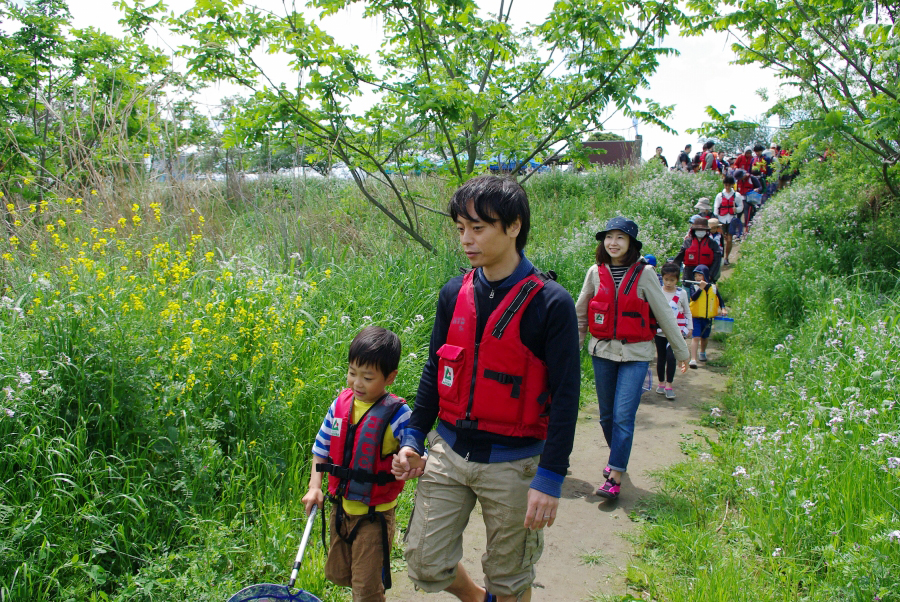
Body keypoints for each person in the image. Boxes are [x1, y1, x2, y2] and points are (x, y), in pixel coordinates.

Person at [393, 175, 580, 602]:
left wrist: (550, 477)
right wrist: (412, 438)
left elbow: (567, 394)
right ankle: (476, 598)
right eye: (461, 228)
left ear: (513, 226)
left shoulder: (551, 302)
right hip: (451, 450)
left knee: (510, 582)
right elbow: (435, 371)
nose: (466, 239)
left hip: (515, 464)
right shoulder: (452, 293)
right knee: (423, 561)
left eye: (478, 228)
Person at [574, 217, 689, 500]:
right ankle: (618, 458)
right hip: (602, 353)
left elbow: (664, 314)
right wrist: (572, 349)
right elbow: (580, 314)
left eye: (620, 238)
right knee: (606, 417)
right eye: (609, 237)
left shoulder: (646, 273)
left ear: (631, 244)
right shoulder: (595, 272)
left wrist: (682, 351)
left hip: (636, 355)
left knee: (624, 416)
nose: (613, 243)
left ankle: (615, 475)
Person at [302, 326, 414, 602]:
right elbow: (321, 448)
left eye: (367, 377)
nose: (357, 384)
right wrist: (315, 486)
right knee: (343, 575)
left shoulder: (398, 415)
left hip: (374, 516)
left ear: (390, 378)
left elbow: (415, 452)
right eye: (352, 373)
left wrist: (410, 461)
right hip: (341, 509)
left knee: (366, 590)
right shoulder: (340, 405)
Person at [654, 262, 692, 400]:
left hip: (676, 331)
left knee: (671, 357)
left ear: (677, 280)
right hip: (659, 331)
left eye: (672, 280)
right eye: (666, 279)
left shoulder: (681, 293)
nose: (669, 283)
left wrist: (690, 327)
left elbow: (687, 311)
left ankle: (669, 385)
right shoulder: (657, 291)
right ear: (662, 278)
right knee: (661, 357)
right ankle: (661, 383)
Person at [687, 265, 726, 368]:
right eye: (696, 276)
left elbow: (720, 299)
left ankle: (703, 352)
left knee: (705, 337)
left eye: (700, 275)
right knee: (696, 337)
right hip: (696, 317)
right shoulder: (693, 287)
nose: (698, 278)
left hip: (707, 318)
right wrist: (700, 289)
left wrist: (723, 308)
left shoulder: (713, 287)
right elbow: (693, 298)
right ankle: (693, 359)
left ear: (706, 276)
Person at [674, 217, 722, 284]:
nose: (700, 231)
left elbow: (717, 261)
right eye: (698, 229)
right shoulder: (687, 242)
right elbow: (678, 259)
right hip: (688, 276)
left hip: (705, 276)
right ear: (694, 230)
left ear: (706, 231)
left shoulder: (712, 243)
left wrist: (710, 275)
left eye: (702, 230)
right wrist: (673, 273)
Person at [713, 175, 744, 265]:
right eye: (725, 185)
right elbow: (716, 207)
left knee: (729, 239)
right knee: (721, 239)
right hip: (721, 219)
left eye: (729, 185)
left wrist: (737, 210)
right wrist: (716, 218)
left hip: (731, 219)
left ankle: (726, 258)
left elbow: (741, 207)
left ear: (732, 185)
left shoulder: (736, 195)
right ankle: (720, 257)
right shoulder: (719, 196)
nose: (727, 187)